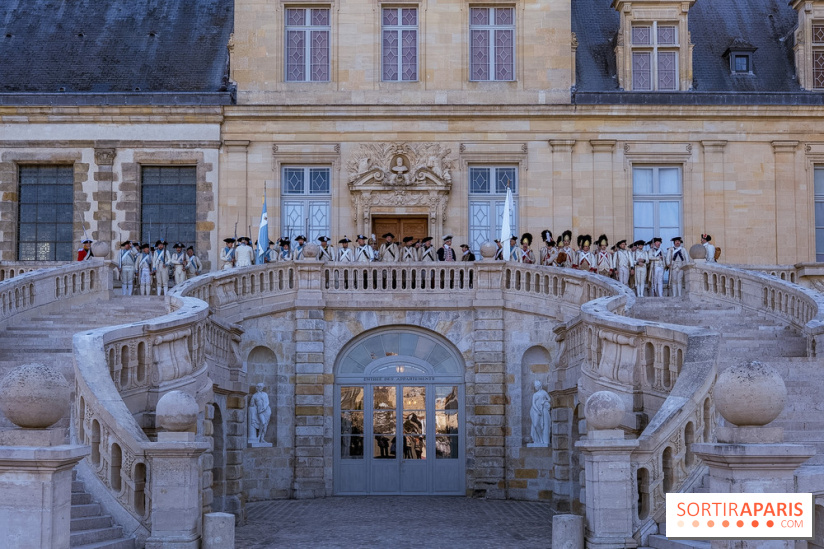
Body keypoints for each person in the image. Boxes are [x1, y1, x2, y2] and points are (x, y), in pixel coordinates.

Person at [529, 380, 551, 447]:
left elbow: (549, 399)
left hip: (543, 409)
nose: (535, 387)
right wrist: (537, 411)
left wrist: (544, 401)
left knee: (543, 425)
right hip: (535, 410)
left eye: (536, 386)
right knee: (535, 425)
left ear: (539, 386)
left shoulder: (544, 392)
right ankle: (540, 438)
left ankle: (542, 440)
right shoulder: (535, 394)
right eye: (535, 386)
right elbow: (533, 403)